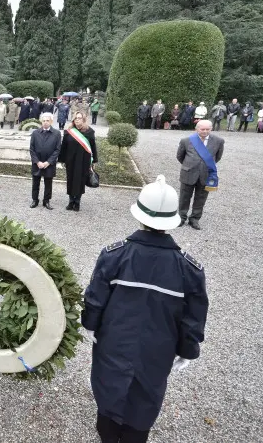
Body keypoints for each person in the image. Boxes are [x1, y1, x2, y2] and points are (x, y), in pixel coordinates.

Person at [82, 175, 208, 443]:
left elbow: (96, 297)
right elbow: (193, 317)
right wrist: (188, 349)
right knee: (147, 391)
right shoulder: (189, 269)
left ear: (139, 215)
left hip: (113, 341)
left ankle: (108, 434)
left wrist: (90, 323)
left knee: (109, 383)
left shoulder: (114, 255)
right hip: (158, 347)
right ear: (172, 219)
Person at [176, 119, 224, 230]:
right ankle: (181, 217)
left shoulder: (218, 141)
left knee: (201, 198)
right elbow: (180, 156)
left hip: (206, 174)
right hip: (188, 173)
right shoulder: (186, 141)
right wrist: (190, 165)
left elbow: (217, 157)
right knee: (184, 197)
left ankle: (194, 219)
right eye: (202, 129)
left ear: (211, 129)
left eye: (208, 129)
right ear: (196, 129)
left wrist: (205, 166)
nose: (205, 131)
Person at [58, 111, 97, 212]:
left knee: (80, 181)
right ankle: (71, 201)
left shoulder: (90, 132)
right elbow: (64, 147)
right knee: (70, 180)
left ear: (83, 119)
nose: (77, 120)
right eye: (76, 118)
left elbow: (93, 147)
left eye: (79, 118)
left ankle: (77, 202)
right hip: (70, 161)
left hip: (84, 161)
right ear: (73, 120)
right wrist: (62, 159)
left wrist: (94, 162)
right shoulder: (68, 132)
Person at [29, 113, 61, 210]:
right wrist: (37, 162)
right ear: (41, 121)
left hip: (49, 164)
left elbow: (57, 149)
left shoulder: (56, 133)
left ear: (51, 121)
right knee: (35, 182)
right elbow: (32, 149)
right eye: (44, 120)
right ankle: (35, 200)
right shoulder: (35, 133)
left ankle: (46, 201)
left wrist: (48, 162)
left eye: (47, 120)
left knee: (48, 183)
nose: (45, 122)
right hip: (37, 163)